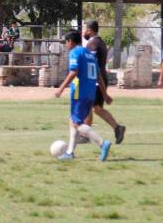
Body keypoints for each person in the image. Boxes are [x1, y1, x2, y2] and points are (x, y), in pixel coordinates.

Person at [54, 30, 112, 162]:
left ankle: (102, 143)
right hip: (91, 92)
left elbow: (74, 71)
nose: (66, 45)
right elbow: (99, 76)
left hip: (79, 92)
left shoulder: (75, 52)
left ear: (70, 42)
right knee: (73, 120)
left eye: (66, 42)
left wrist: (61, 88)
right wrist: (105, 94)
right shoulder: (90, 54)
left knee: (77, 123)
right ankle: (70, 152)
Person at [83, 20, 126, 144]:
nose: (84, 32)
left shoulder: (92, 44)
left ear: (90, 30)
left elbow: (91, 64)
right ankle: (118, 128)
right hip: (100, 77)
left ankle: (85, 135)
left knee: (89, 107)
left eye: (85, 29)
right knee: (96, 108)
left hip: (96, 79)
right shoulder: (100, 42)